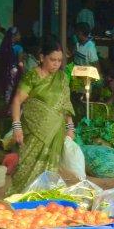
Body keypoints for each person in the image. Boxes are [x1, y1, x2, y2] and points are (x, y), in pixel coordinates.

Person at [9, 36, 75, 194]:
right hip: (33, 131)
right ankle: (20, 197)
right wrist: (16, 127)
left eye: (59, 60)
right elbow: (17, 101)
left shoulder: (62, 78)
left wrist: (70, 128)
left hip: (54, 133)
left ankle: (41, 201)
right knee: (27, 165)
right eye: (53, 60)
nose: (56, 64)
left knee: (50, 169)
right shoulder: (32, 76)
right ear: (41, 57)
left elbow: (65, 105)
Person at [0, 26, 25, 107]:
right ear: (14, 36)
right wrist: (23, 71)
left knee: (7, 88)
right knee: (14, 88)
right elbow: (20, 62)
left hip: (6, 70)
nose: (20, 36)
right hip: (15, 71)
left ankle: (6, 105)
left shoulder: (4, 47)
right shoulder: (18, 48)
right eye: (18, 35)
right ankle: (12, 107)